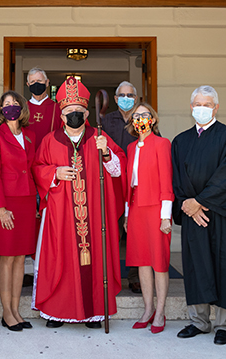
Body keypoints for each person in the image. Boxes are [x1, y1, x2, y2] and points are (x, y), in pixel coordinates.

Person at [32, 76, 125, 328]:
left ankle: (94, 312)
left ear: (87, 113)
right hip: (61, 215)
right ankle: (57, 311)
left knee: (95, 260)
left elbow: (118, 170)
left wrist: (106, 152)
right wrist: (54, 173)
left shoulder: (99, 138)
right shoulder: (50, 140)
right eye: (69, 112)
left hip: (94, 215)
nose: (74, 115)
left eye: (79, 111)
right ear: (61, 116)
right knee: (60, 258)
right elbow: (37, 168)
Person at [171, 85, 226, 345]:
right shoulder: (181, 141)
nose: (201, 108)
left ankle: (224, 326)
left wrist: (200, 202)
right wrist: (187, 204)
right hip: (195, 216)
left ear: (216, 107)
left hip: (223, 214)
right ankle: (199, 321)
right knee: (197, 267)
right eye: (197, 104)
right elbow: (177, 179)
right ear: (191, 107)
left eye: (207, 104)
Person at [0, 91, 37, 331]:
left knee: (20, 258)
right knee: (7, 257)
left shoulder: (30, 135)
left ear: (22, 108)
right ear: (0, 109)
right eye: (7, 104)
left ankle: (16, 310)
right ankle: (6, 312)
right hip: (6, 203)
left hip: (26, 201)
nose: (11, 107)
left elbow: (34, 168)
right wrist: (1, 208)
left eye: (15, 103)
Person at [123, 102, 172, 333]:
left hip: (156, 209)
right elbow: (128, 184)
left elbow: (166, 182)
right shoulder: (131, 147)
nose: (140, 118)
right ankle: (147, 308)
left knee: (159, 262)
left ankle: (160, 312)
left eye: (144, 114)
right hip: (135, 209)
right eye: (136, 115)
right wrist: (126, 214)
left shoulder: (162, 144)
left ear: (152, 119)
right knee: (142, 261)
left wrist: (166, 216)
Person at [102, 81, 141, 293]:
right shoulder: (107, 120)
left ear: (136, 98)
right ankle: (110, 275)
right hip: (113, 182)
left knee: (134, 231)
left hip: (136, 182)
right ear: (116, 99)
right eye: (122, 95)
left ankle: (134, 276)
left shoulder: (142, 119)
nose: (126, 98)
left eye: (130, 95)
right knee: (111, 230)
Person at [25, 67, 62, 151]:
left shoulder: (58, 108)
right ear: (28, 85)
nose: (36, 84)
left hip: (51, 154)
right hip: (27, 156)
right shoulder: (22, 109)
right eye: (32, 82)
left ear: (47, 82)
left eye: (39, 81)